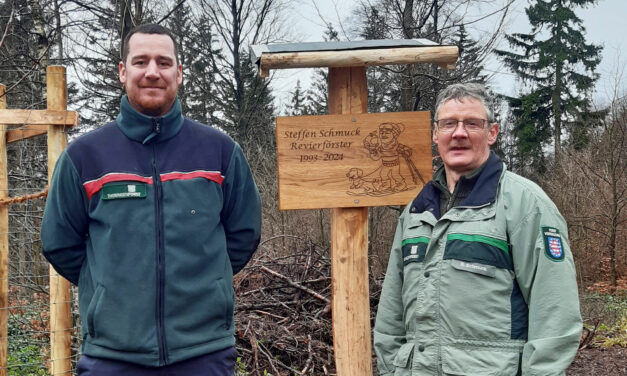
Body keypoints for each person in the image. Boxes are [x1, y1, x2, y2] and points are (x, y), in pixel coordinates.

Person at [41, 23, 261, 375]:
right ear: (123, 72)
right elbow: (59, 243)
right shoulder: (84, 157)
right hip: (112, 357)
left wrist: (208, 281)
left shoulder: (219, 152)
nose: (153, 72)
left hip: (202, 353)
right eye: (141, 61)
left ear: (179, 72)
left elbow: (244, 233)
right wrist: (108, 285)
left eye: (164, 62)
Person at [373, 83, 582, 375]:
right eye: (448, 124)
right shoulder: (416, 212)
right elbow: (391, 312)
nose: (459, 133)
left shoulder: (525, 204)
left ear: (492, 133)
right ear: (436, 134)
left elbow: (555, 312)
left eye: (472, 123)